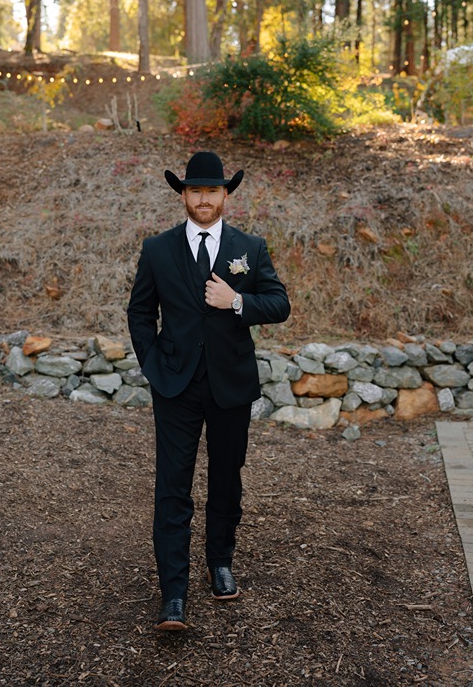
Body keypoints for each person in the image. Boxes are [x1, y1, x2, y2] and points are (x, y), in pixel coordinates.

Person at [127, 151, 291, 630]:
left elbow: (279, 303)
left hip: (230, 385)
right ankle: (172, 592)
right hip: (175, 385)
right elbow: (140, 313)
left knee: (226, 479)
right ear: (183, 195)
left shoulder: (250, 247)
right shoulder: (157, 249)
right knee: (172, 487)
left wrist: (237, 300)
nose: (203, 199)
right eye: (195, 190)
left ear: (225, 195)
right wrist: (153, 363)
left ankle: (220, 563)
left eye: (212, 190)